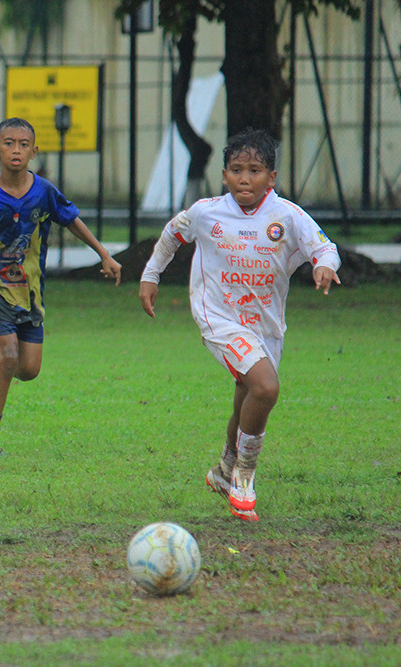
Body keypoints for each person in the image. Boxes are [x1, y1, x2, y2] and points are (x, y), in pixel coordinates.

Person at [138, 128, 340, 522]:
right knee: (265, 387)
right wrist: (151, 276)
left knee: (247, 398)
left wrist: (324, 266)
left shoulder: (288, 215)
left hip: (266, 325)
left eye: (255, 170)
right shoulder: (206, 211)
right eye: (236, 170)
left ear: (272, 177)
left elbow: (324, 246)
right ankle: (243, 478)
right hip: (219, 317)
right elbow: (170, 235)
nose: (244, 179)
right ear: (225, 174)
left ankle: (225, 468)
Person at [0, 117, 122, 457]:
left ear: (34, 151)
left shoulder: (44, 191)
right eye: (9, 143)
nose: (16, 150)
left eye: (23, 144)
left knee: (28, 369)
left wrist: (104, 253)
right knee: (10, 357)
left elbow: (71, 218)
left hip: (30, 294)